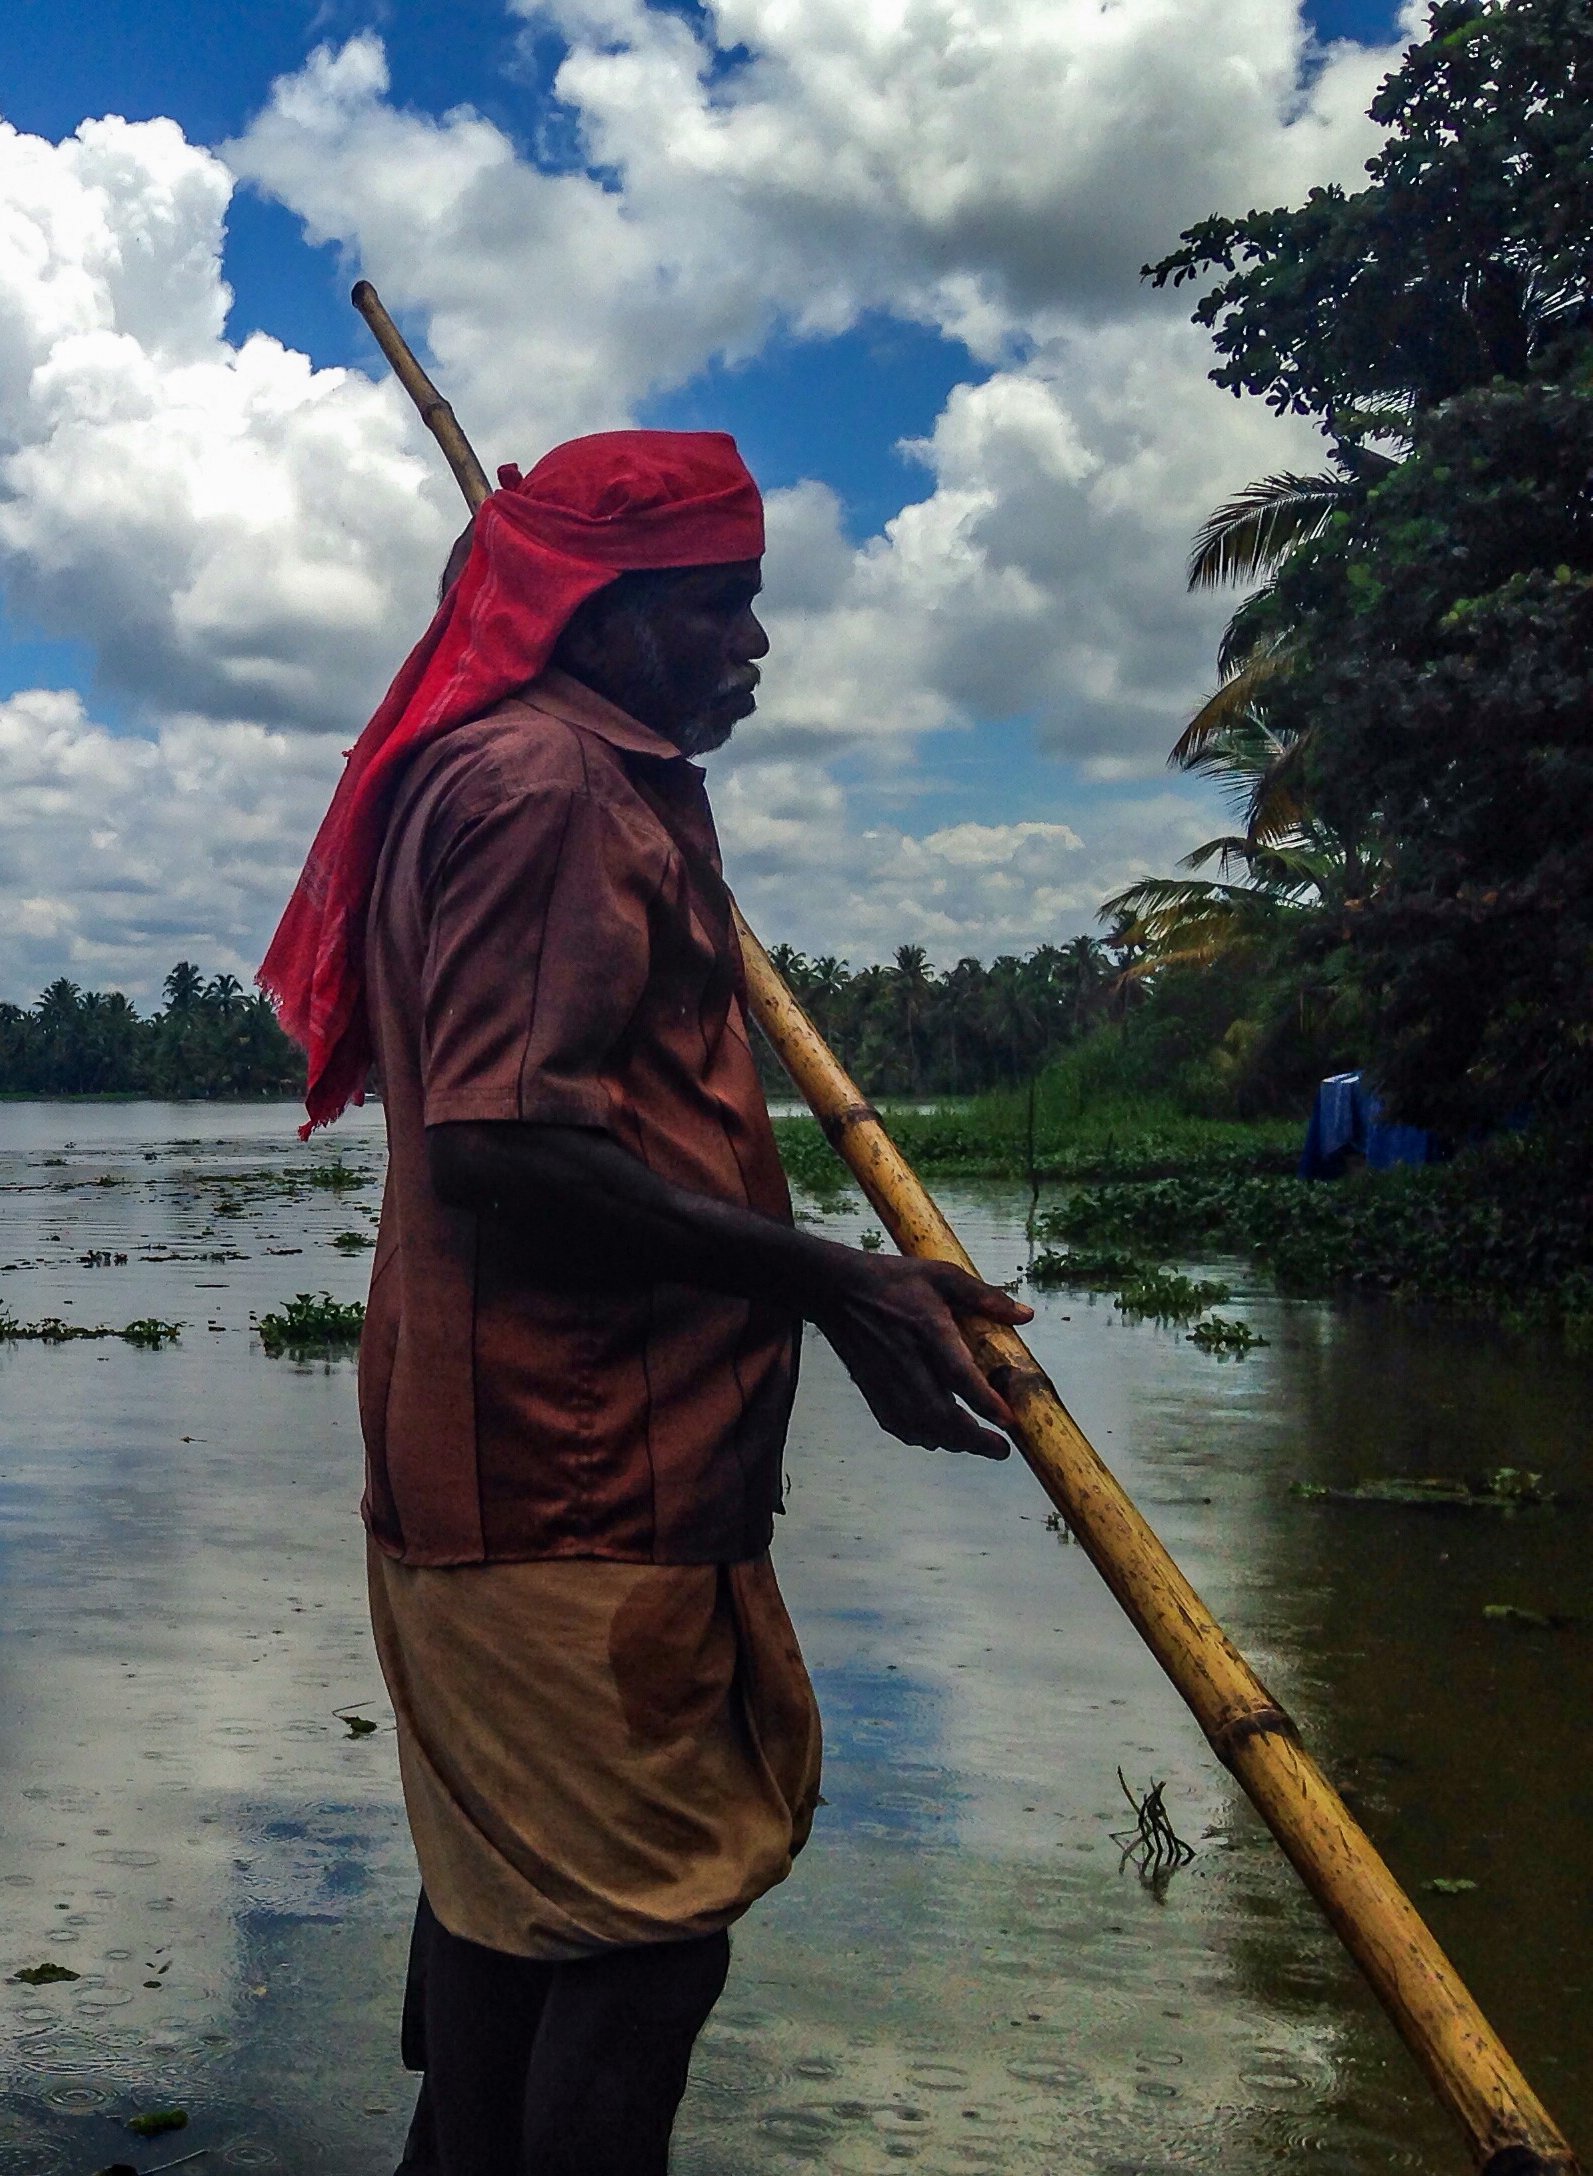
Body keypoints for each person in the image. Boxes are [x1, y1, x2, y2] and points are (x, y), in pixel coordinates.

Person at [261, 431, 1032, 2176]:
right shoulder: (549, 790)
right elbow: (507, 1159)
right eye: (723, 609)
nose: (752, 649)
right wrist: (836, 1282)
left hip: (532, 1482)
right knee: (635, 1946)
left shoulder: (538, 774)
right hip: (567, 1485)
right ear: (610, 616)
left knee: (512, 1932)